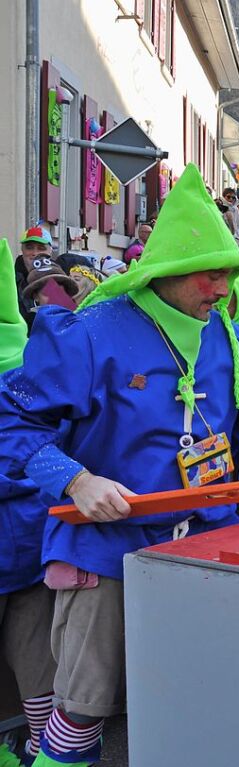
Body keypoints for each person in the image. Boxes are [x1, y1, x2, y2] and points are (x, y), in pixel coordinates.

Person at [0, 166, 239, 767]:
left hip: (205, 546)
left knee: (197, 692)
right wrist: (75, 478)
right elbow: (14, 421)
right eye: (211, 273)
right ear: (168, 271)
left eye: (229, 273)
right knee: (84, 708)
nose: (224, 289)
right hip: (106, 547)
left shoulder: (228, 337)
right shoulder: (91, 333)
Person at [0, 237, 55, 767]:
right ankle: (40, 742)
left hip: (22, 533)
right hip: (33, 534)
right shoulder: (31, 360)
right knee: (35, 649)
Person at [12, 227, 90, 327]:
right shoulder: (10, 280)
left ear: (50, 251)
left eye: (41, 248)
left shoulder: (61, 278)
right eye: (29, 247)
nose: (35, 253)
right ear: (22, 250)